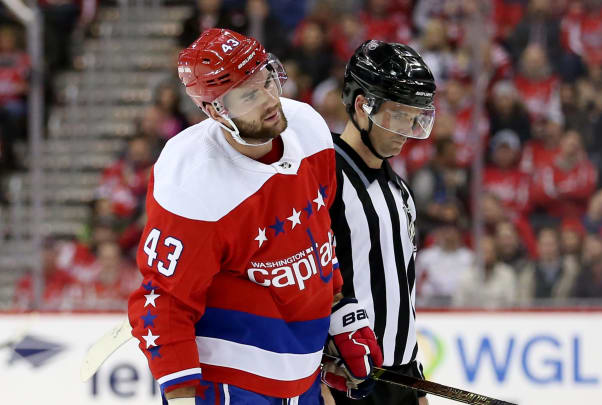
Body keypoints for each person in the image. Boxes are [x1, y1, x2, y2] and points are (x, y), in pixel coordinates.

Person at [127, 29, 382, 405]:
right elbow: (163, 301)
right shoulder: (193, 182)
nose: (269, 100)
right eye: (249, 95)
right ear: (215, 110)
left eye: (267, 79)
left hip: (303, 371)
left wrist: (339, 311)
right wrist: (182, 397)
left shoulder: (308, 129)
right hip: (229, 383)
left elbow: (316, 234)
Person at [328, 39, 435, 405]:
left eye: (415, 117)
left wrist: (414, 377)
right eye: (399, 115)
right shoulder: (322, 179)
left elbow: (402, 291)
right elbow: (306, 284)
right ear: (363, 105)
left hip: (400, 382)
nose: (407, 129)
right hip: (344, 382)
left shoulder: (401, 192)